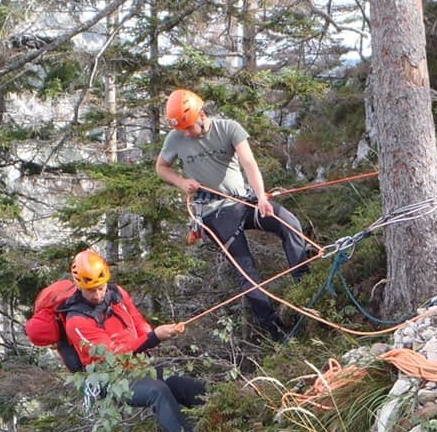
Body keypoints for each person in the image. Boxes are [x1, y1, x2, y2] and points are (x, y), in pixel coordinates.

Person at [155, 88, 309, 342]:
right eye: (182, 129)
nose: (187, 133)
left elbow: (249, 162)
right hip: (214, 211)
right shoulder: (176, 138)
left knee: (289, 223)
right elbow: (161, 167)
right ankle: (277, 331)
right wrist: (181, 182)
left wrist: (261, 197)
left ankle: (305, 285)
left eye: (189, 127)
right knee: (246, 270)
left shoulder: (228, 129)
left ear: (202, 115)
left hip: (244, 200)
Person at [61, 249, 205, 432]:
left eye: (101, 288)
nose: (97, 295)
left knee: (183, 384)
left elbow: (138, 321)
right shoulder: (76, 321)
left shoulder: (116, 294)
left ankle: (224, 411)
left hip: (138, 365)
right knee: (157, 391)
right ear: (79, 286)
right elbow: (112, 354)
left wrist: (152, 335)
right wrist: (154, 337)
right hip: (108, 379)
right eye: (90, 291)